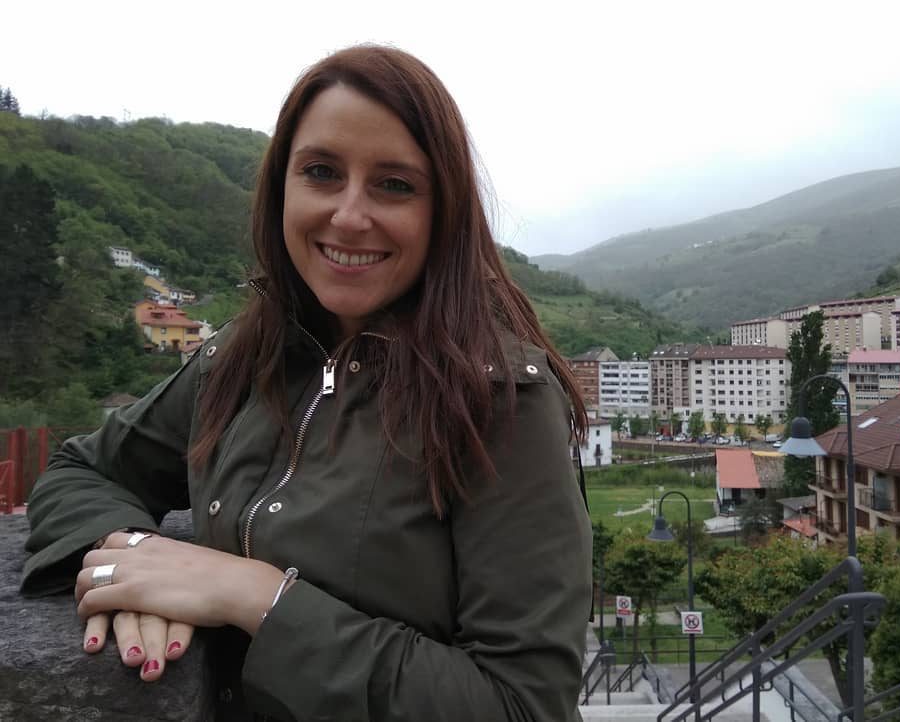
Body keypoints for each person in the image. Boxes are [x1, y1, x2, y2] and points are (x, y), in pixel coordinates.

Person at [21, 45, 593, 721]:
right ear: (281, 187)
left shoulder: (500, 399)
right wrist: (134, 559)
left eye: (394, 185)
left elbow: (524, 704)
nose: (349, 215)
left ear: (444, 210)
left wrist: (257, 597)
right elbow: (83, 469)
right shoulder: (241, 357)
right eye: (322, 172)